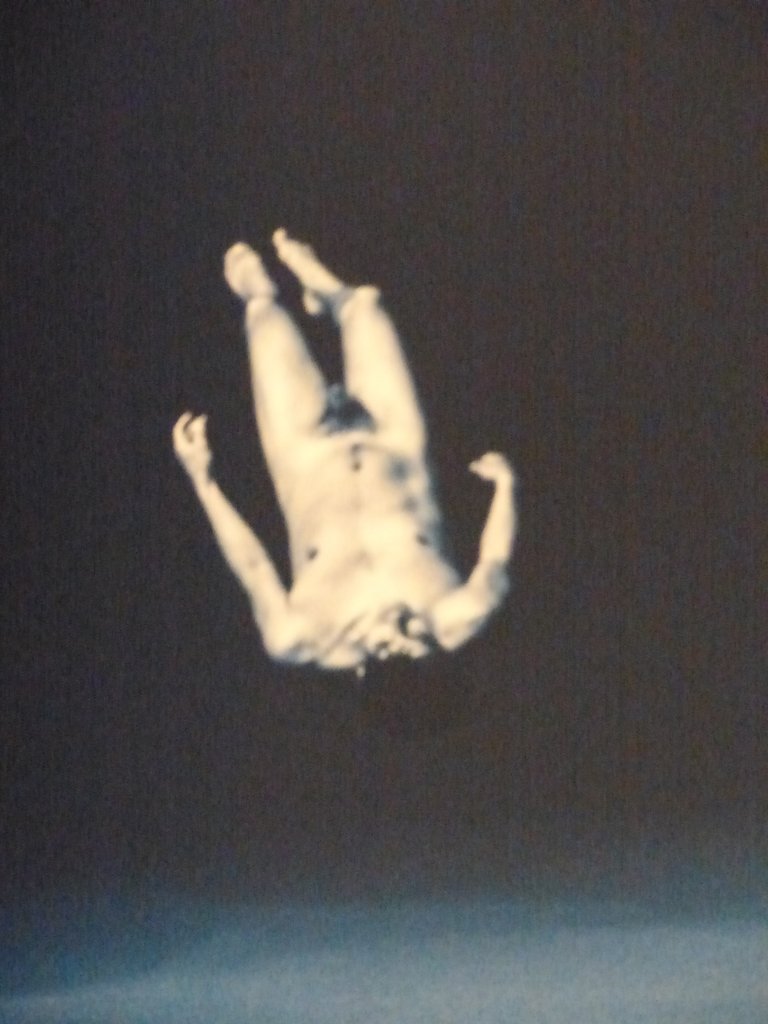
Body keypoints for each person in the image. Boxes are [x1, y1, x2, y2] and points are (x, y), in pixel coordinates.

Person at [173, 230, 517, 675]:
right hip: (394, 441)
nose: (407, 624)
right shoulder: (459, 616)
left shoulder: (300, 636)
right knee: (365, 305)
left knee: (260, 306)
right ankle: (329, 293)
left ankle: (266, 290)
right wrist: (507, 488)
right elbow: (495, 561)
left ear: (362, 668)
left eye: (391, 642)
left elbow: (253, 565)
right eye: (419, 638)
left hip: (304, 454)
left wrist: (203, 482)